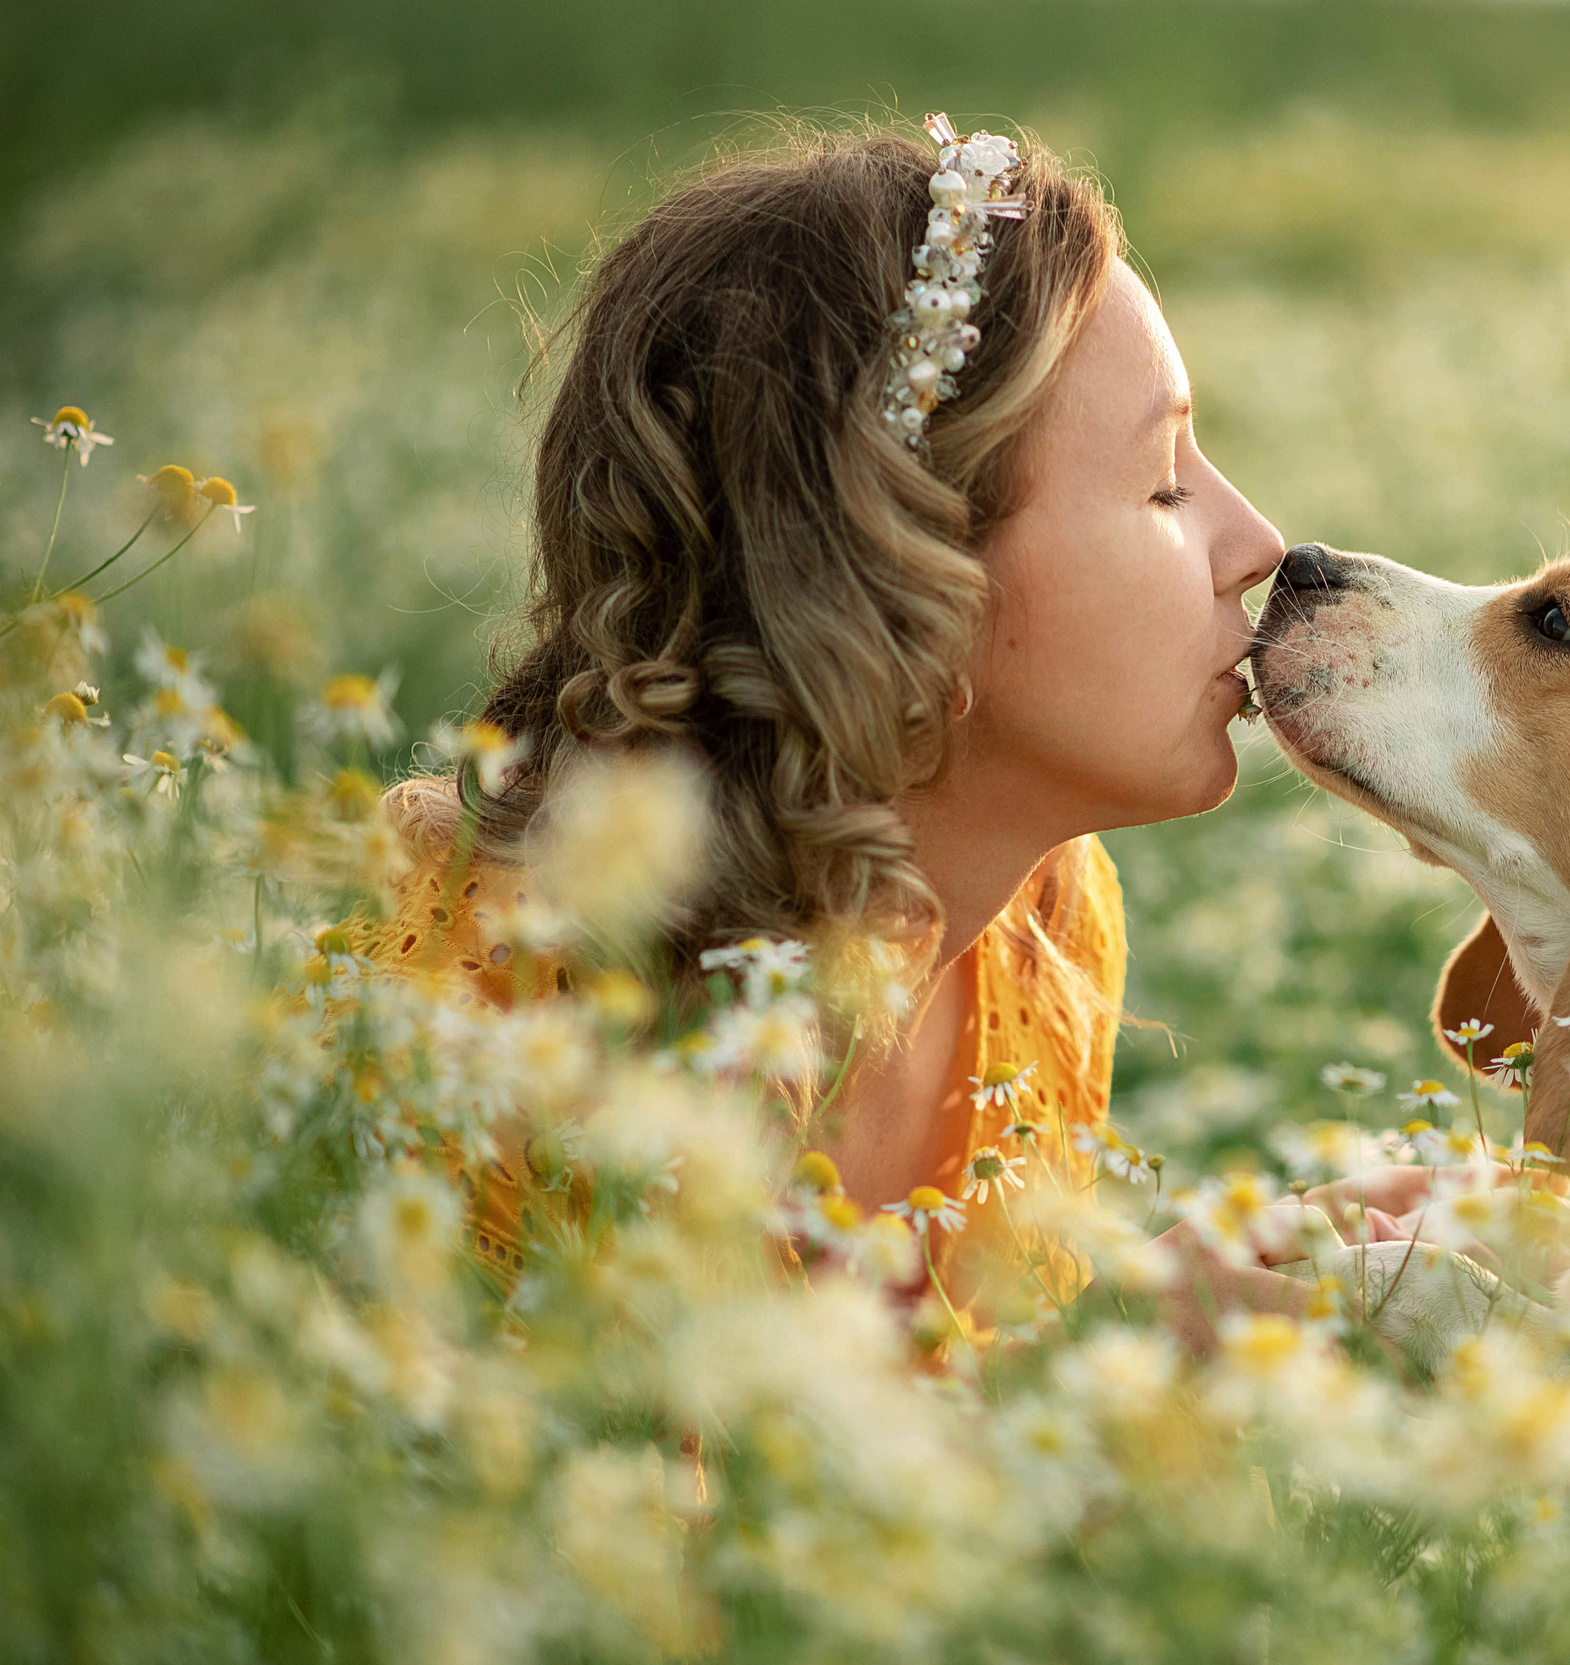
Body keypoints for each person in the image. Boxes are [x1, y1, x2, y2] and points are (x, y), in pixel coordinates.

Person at [358, 116, 1460, 1348]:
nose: (1257, 542)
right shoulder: (498, 1022)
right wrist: (1110, 1359)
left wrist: (1159, 1307)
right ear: (908, 588)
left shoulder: (1043, 924)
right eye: (1162, 482)